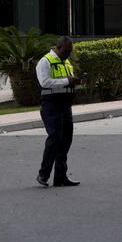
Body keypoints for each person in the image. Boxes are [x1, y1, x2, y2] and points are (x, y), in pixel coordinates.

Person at [35, 36, 80, 188]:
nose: (68, 55)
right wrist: (68, 81)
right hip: (51, 105)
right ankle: (43, 174)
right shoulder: (45, 62)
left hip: (65, 105)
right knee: (54, 138)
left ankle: (60, 176)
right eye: (66, 51)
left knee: (66, 140)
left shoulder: (66, 62)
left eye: (70, 52)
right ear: (58, 47)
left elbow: (67, 82)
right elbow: (45, 82)